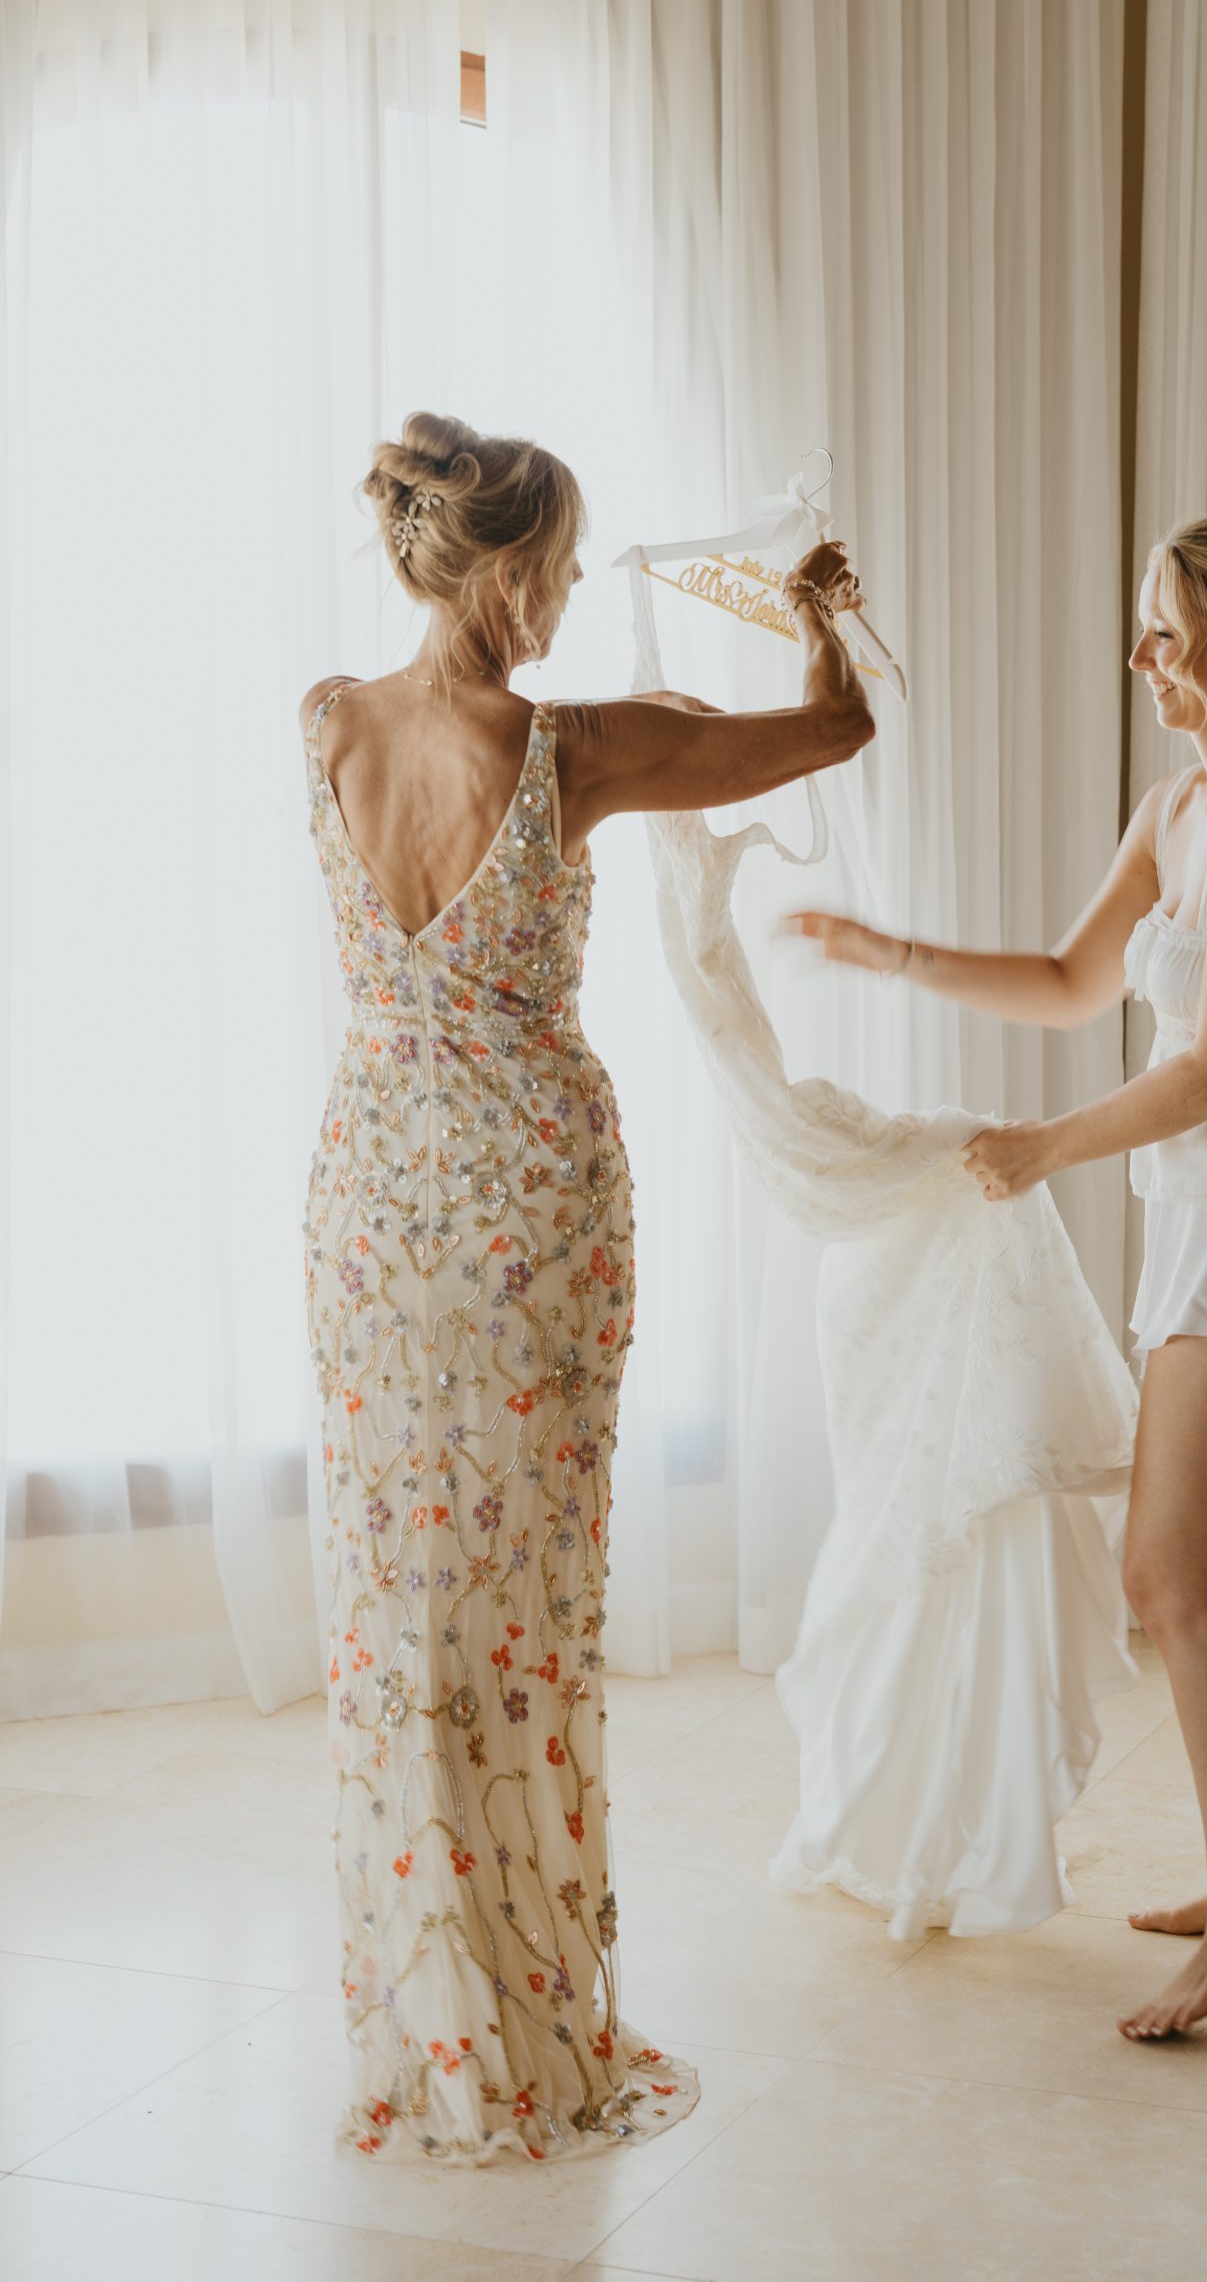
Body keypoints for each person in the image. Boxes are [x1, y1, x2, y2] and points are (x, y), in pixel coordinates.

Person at [301, 410, 871, 2159]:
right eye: (551, 569)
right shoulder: (572, 750)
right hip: (530, 1211)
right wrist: (816, 614)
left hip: (369, 1204)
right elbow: (832, 731)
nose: (561, 598)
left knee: (396, 1603)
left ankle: (428, 2016)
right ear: (497, 569)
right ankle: (531, 2005)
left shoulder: (327, 722)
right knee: (523, 1596)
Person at [788, 513, 1207, 2039]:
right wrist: (886, 950)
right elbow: (1073, 984)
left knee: (1165, 1579)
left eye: (1161, 631)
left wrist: (1043, 1148)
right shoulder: (1177, 808)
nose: (1139, 657)